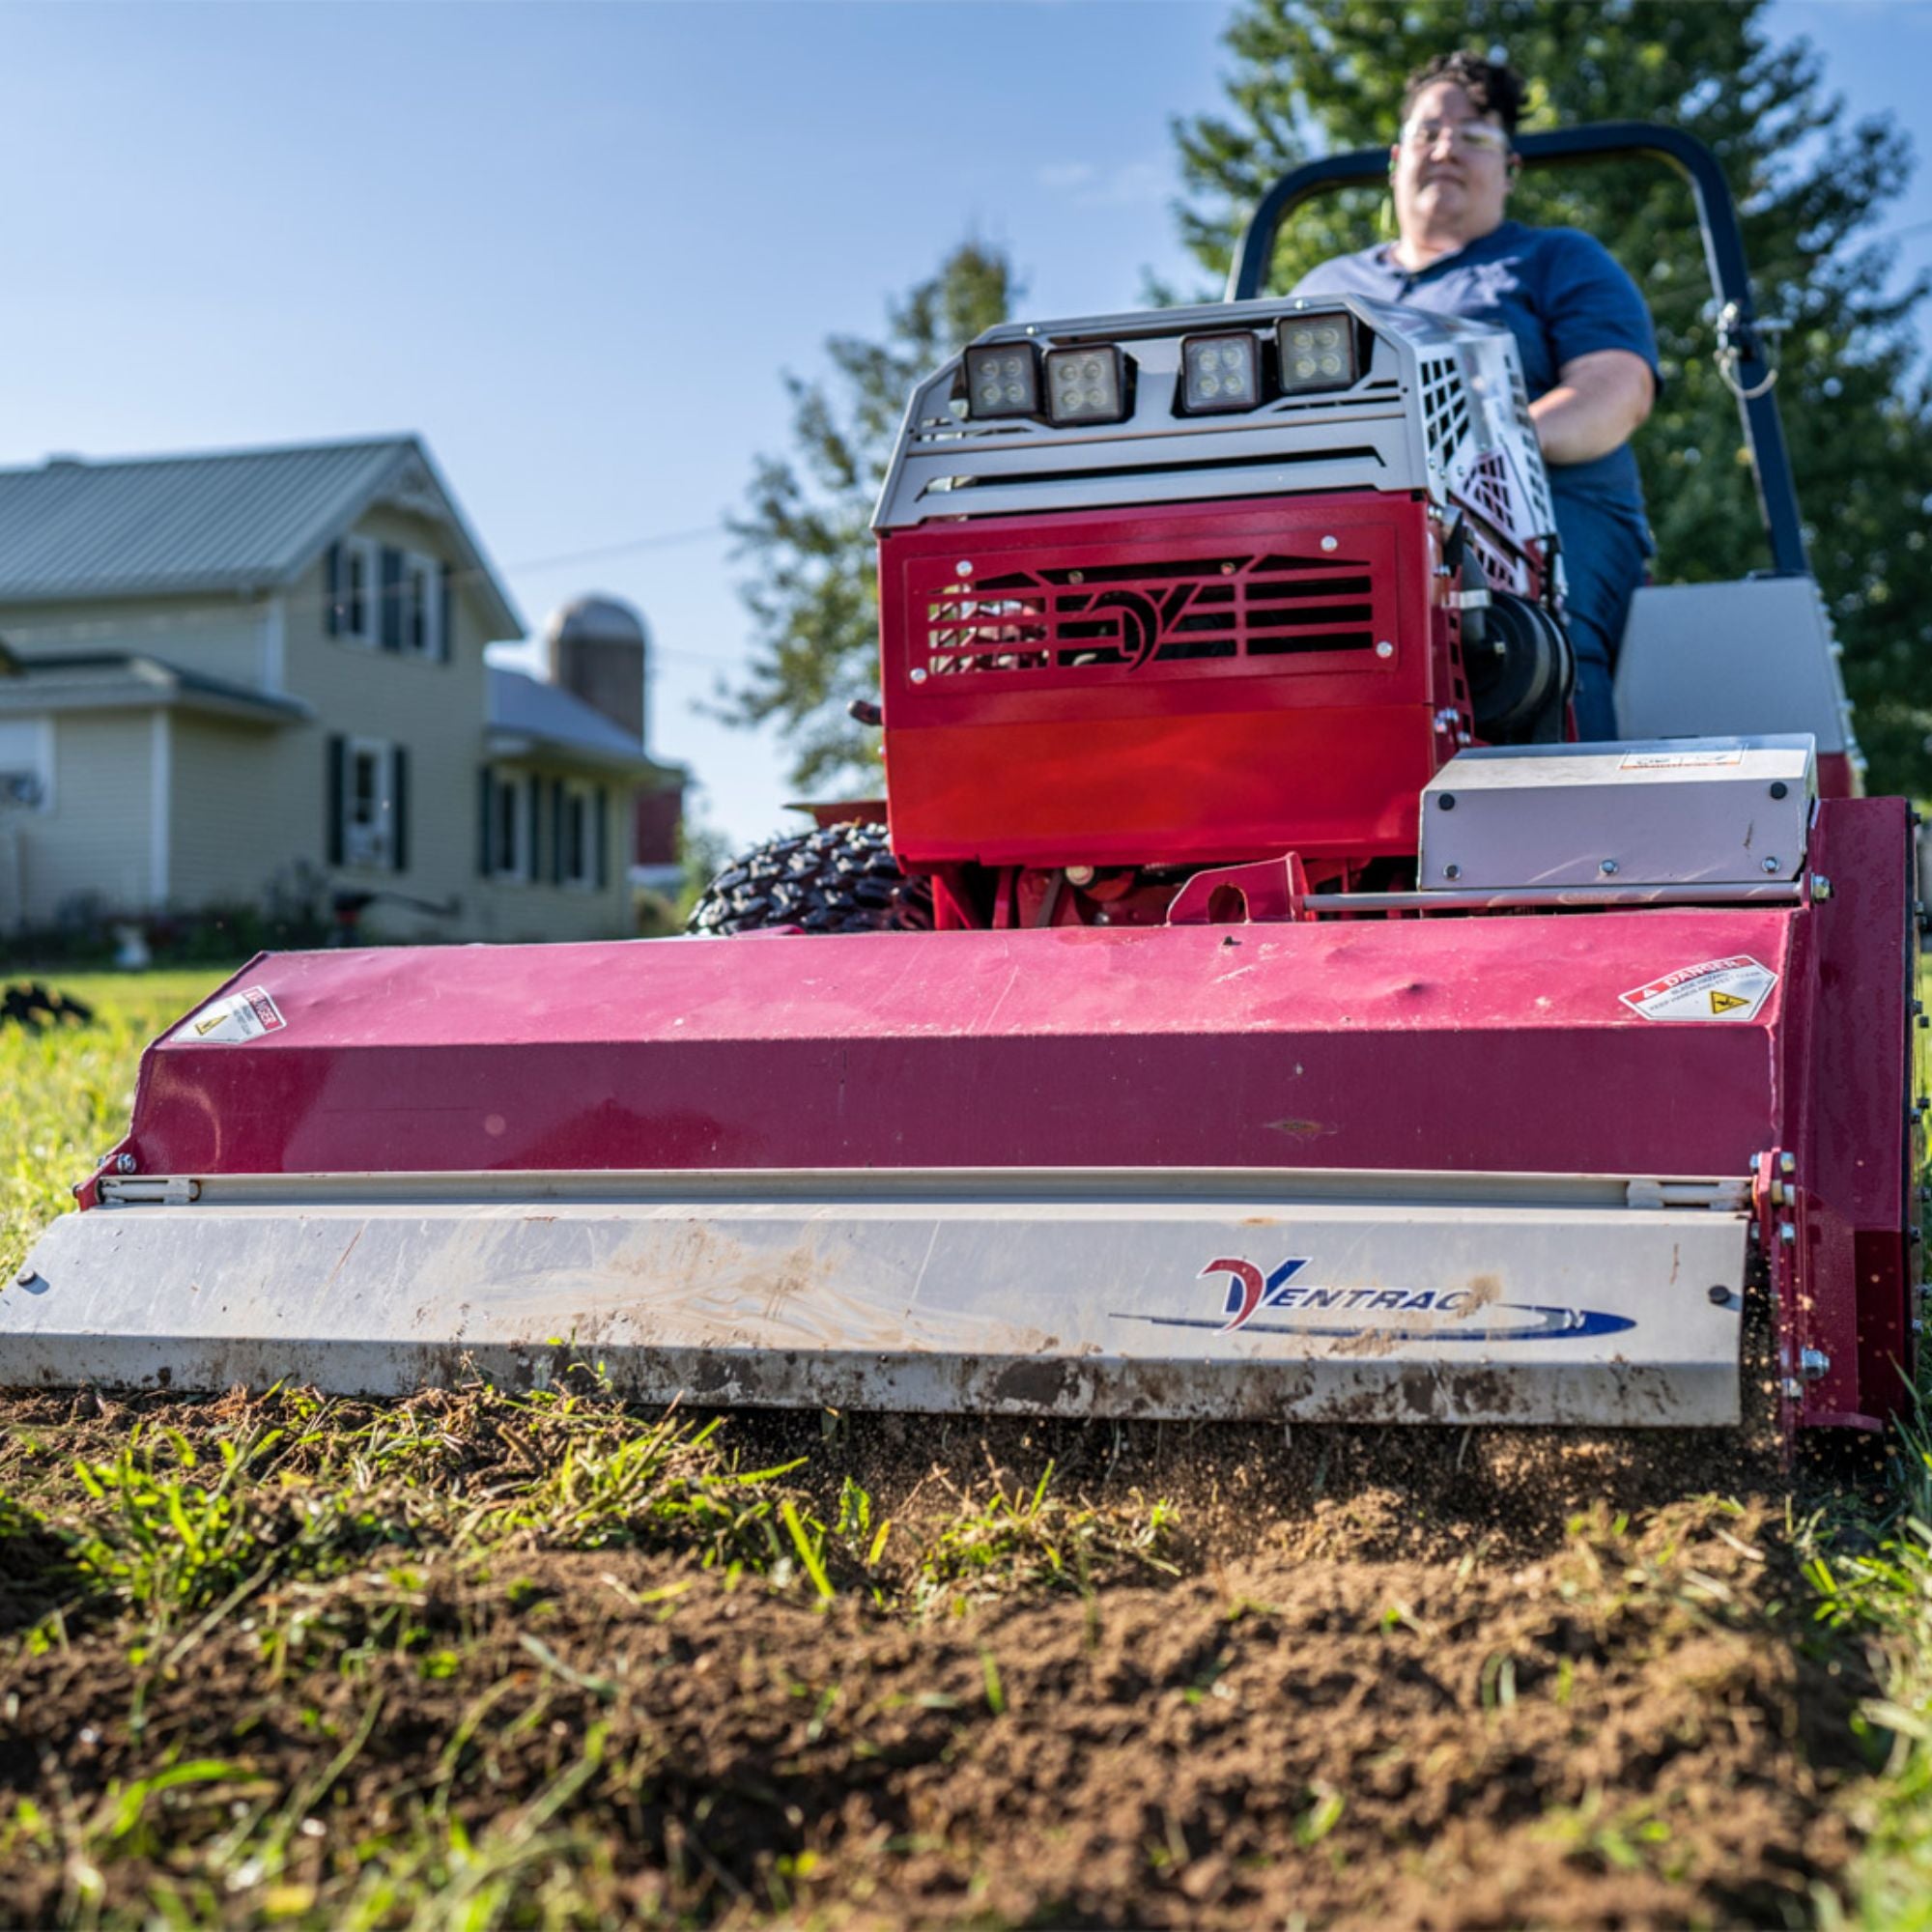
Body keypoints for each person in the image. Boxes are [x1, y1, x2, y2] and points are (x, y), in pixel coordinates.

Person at [1292, 52, 1659, 740]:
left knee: (1538, 649)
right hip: (1347, 528)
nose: (1448, 148)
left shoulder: (1557, 260)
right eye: (1429, 132)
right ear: (1397, 159)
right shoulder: (1324, 290)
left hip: (1544, 514)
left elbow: (1615, 393)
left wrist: (1475, 462)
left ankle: (1586, 826)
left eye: (1475, 135)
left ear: (1510, 168)